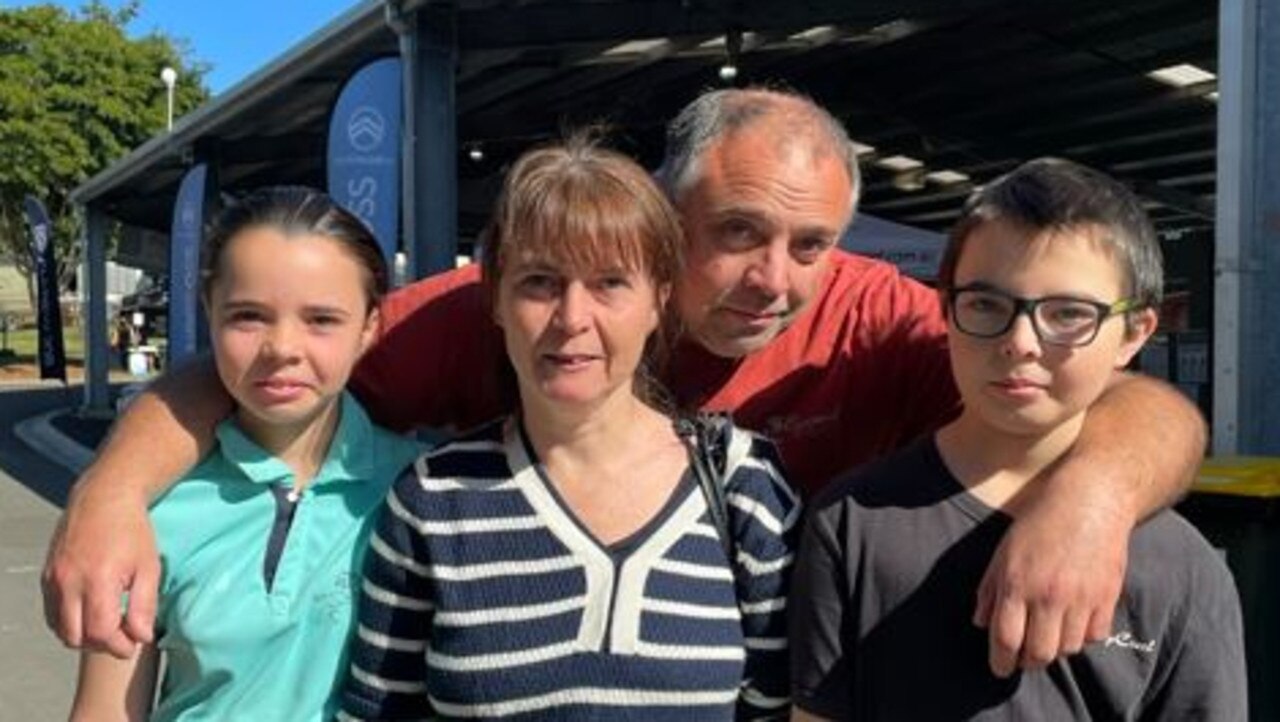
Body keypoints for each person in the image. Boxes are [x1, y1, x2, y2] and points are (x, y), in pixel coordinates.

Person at [44, 87, 1206, 677]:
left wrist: (1091, 499)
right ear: (660, 219)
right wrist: (109, 491)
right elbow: (264, 362)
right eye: (738, 232)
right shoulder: (502, 312)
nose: (774, 280)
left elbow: (1116, 391)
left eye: (810, 245)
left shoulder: (869, 321)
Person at [339, 137, 797, 720]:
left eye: (610, 283)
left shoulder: (745, 489)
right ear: (497, 301)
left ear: (658, 300)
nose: (572, 319)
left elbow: (775, 710)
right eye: (539, 282)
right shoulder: (432, 501)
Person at [788, 159, 1246, 721]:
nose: (1021, 340)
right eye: (985, 304)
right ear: (944, 309)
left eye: (1069, 313)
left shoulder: (1183, 568)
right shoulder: (851, 520)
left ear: (1134, 333)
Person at [67, 187, 423, 721]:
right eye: (248, 316)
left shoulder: (423, 491)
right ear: (209, 311)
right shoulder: (152, 509)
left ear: (369, 327)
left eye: (322, 319)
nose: (282, 347)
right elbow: (104, 712)